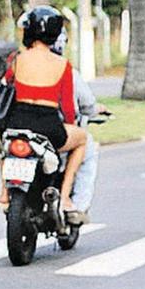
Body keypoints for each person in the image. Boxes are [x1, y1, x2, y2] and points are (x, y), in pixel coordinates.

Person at [0, 6, 89, 222]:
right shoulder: (63, 65)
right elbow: (68, 108)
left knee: (4, 147)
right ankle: (65, 197)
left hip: (16, 122)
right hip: (48, 127)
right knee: (82, 139)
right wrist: (71, 124)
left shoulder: (17, 60)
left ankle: (4, 193)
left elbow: (6, 87)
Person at [51, 31, 108, 218]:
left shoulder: (19, 65)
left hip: (21, 129)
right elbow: (85, 105)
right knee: (86, 146)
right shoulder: (66, 72)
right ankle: (75, 204)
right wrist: (95, 109)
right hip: (55, 131)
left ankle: (4, 196)